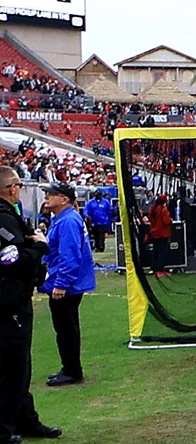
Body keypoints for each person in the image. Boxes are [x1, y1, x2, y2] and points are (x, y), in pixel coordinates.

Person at [0, 166, 62, 442]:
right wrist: (38, 247)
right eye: (18, 187)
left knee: (21, 366)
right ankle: (4, 430)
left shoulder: (10, 216)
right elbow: (8, 260)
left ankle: (26, 421)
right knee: (10, 369)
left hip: (15, 300)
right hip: (7, 302)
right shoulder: (3, 218)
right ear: (11, 188)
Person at [39, 183, 94, 388]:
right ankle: (70, 367)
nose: (47, 197)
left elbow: (69, 255)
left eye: (51, 194)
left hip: (67, 284)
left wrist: (61, 283)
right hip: (69, 282)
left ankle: (72, 370)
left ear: (64, 199)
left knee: (65, 328)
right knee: (66, 327)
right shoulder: (64, 219)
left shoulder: (68, 221)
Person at [146, 194, 173, 276]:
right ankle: (160, 270)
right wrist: (170, 220)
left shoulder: (152, 209)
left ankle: (155, 269)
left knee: (155, 252)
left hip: (154, 233)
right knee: (162, 253)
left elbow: (150, 219)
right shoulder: (163, 210)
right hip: (163, 234)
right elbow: (166, 221)